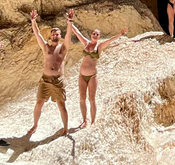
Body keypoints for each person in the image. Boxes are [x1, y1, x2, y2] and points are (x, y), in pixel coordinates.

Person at [67, 13, 128, 128]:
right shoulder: (86, 43)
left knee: (92, 99)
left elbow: (110, 40)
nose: (95, 35)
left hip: (92, 76)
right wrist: (70, 20)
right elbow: (77, 32)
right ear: (91, 35)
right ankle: (85, 120)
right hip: (82, 75)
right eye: (94, 33)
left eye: (97, 34)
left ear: (99, 37)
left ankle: (93, 121)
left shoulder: (99, 46)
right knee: (82, 98)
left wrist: (120, 34)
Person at [27, 9, 72, 137]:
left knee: (61, 105)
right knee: (39, 103)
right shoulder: (46, 47)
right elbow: (37, 34)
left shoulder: (63, 47)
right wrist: (33, 21)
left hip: (58, 80)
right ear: (50, 36)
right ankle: (35, 125)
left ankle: (65, 128)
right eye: (52, 34)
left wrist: (69, 21)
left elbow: (69, 35)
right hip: (45, 80)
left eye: (57, 34)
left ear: (59, 36)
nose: (54, 36)